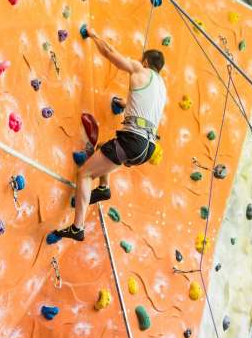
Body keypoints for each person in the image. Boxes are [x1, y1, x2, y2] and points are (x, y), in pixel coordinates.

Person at [52, 27, 167, 241]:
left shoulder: (140, 70)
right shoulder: (162, 87)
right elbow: (145, 108)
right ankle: (103, 188)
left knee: (84, 173)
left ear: (145, 63)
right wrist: (124, 103)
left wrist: (94, 35)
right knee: (105, 146)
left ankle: (77, 228)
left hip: (134, 139)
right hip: (147, 147)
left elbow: (109, 53)